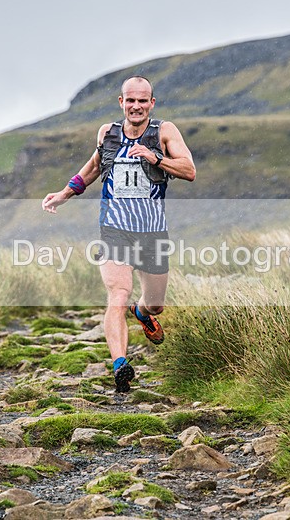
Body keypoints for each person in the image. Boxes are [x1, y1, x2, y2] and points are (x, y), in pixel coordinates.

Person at [42, 75, 195, 393]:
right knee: (117, 295)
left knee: (155, 305)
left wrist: (155, 158)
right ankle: (120, 364)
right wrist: (63, 194)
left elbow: (189, 170)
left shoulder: (163, 132)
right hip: (114, 229)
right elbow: (94, 167)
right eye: (130, 100)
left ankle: (143, 312)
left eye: (142, 100)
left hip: (152, 231)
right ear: (121, 102)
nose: (136, 106)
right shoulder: (108, 133)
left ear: (151, 103)